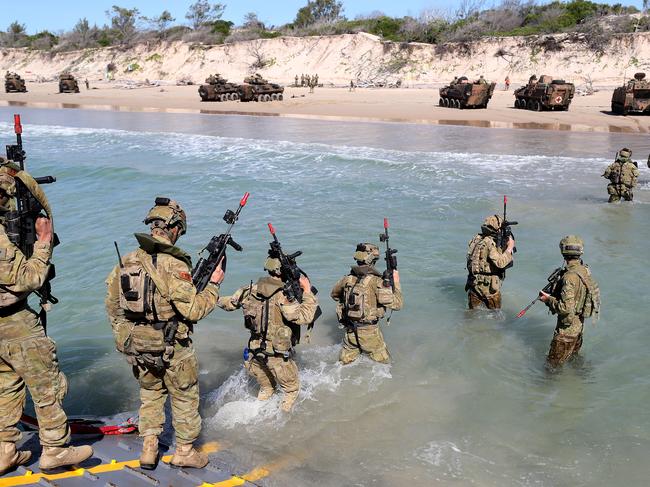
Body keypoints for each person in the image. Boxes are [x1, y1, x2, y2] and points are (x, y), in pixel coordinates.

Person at [105, 197, 225, 470]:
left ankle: (149, 449)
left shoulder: (126, 261)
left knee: (150, 394)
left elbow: (112, 306)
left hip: (137, 345)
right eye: (179, 229)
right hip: (172, 346)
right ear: (174, 228)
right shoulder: (175, 264)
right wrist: (214, 286)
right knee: (184, 396)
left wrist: (126, 338)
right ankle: (183, 452)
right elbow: (193, 310)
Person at [0, 159, 93, 474]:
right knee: (46, 385)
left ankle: (5, 451)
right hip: (13, 321)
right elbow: (27, 279)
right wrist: (42, 242)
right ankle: (55, 449)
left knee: (6, 385)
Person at [217, 248, 319, 412]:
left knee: (267, 389)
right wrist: (307, 291)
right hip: (277, 358)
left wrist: (212, 296)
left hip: (254, 355)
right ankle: (284, 421)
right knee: (291, 392)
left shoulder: (250, 289)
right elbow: (303, 317)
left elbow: (229, 304)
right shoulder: (284, 296)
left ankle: (261, 406)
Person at [330, 243, 402, 364]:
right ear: (373, 260)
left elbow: (334, 295)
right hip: (370, 334)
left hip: (350, 332)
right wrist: (397, 283)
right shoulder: (377, 282)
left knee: (343, 364)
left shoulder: (347, 279)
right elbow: (397, 304)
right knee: (385, 366)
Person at [539, 236, 600, 368]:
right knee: (574, 362)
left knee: (551, 370)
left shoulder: (569, 277)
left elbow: (565, 308)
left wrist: (548, 299)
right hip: (578, 330)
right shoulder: (584, 270)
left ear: (563, 253)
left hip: (565, 334)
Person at [465, 215, 515, 309]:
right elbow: (500, 263)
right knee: (496, 315)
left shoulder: (477, 238)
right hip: (489, 288)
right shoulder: (490, 243)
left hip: (474, 284)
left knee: (472, 314)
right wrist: (509, 248)